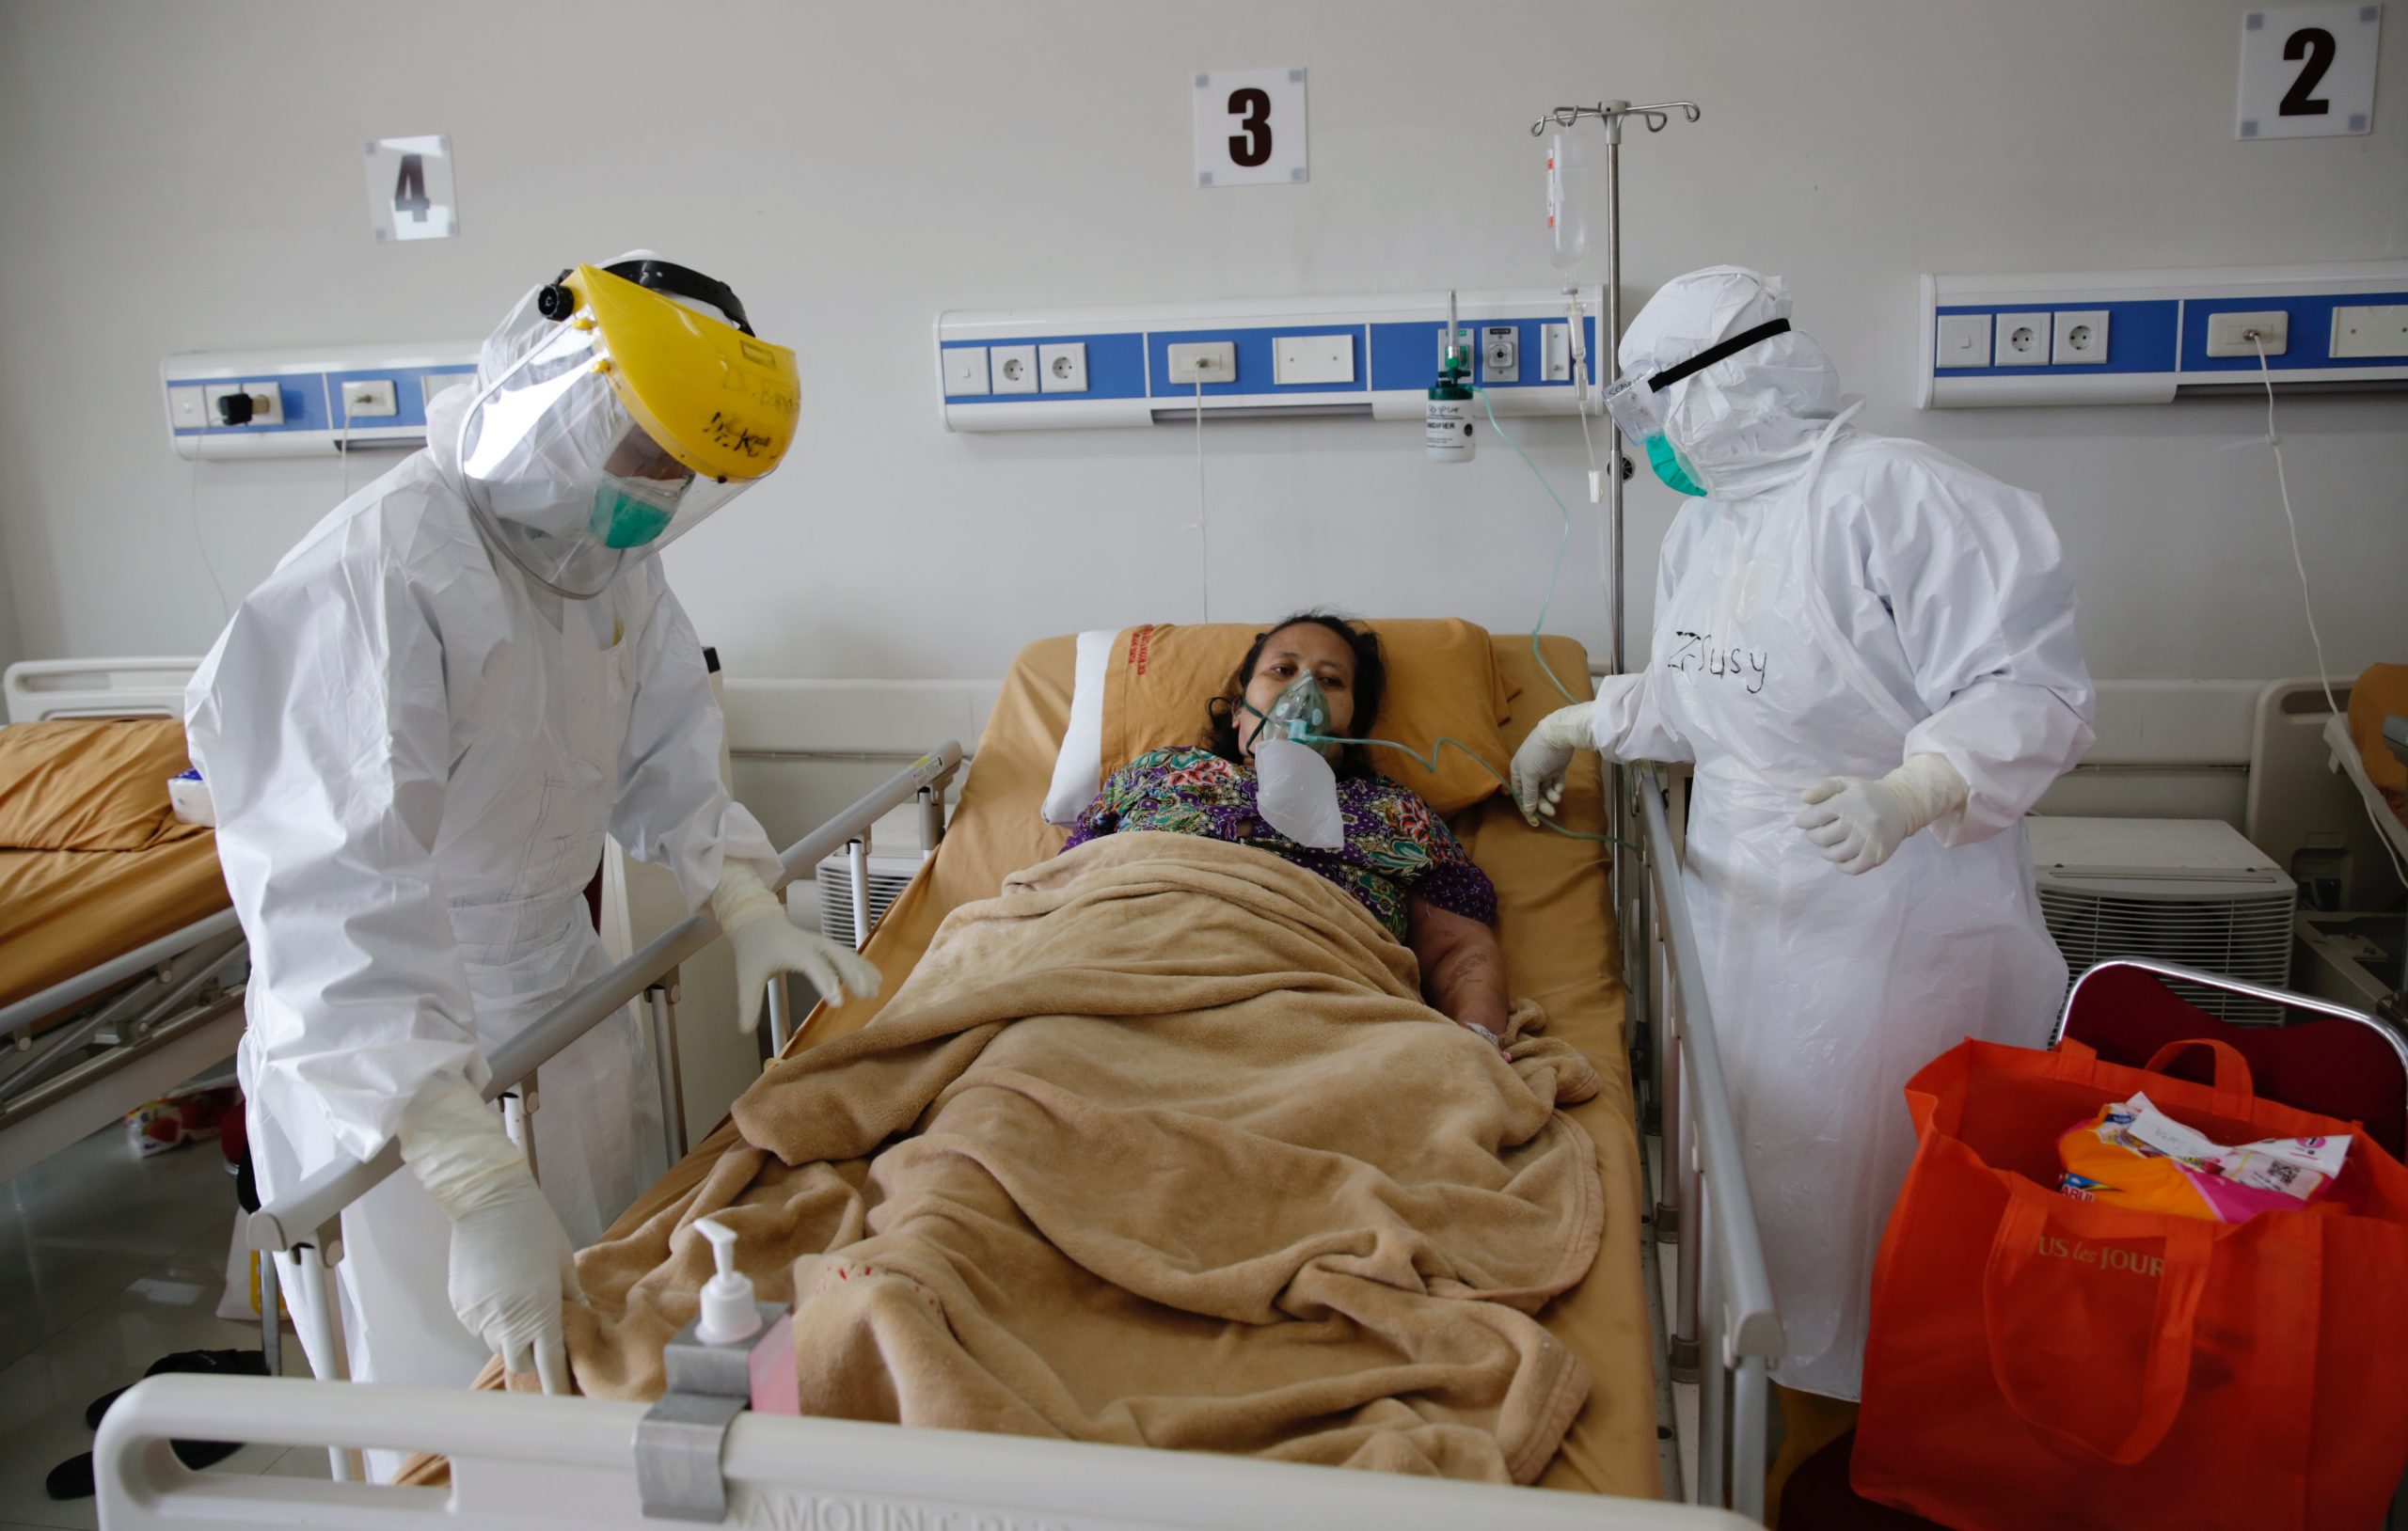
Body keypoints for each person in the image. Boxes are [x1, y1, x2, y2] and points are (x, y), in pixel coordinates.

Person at [185, 257, 880, 1439]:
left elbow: (667, 746)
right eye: (644, 453)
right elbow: (332, 900)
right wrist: (465, 1169)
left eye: (682, 471)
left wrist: (744, 896)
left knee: (598, 1369)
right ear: (559, 402)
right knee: (446, 1419)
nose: (655, 492)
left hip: (560, 999)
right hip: (395, 1074)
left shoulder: (604, 559)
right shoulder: (380, 572)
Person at [1511, 268, 2094, 1413]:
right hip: (1739, 888)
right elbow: (1703, 697)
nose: (1654, 444)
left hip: (1898, 901)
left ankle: (1895, 1418)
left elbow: (2035, 690)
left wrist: (1921, 787)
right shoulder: (1706, 531)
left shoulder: (1903, 497)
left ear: (1715, 389)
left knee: (1877, 1169)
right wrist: (1580, 718)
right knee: (1762, 1153)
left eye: (1653, 410)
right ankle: (1771, 1401)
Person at [1065, 613, 1509, 1042]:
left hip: (1321, 1003)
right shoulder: (1158, 772)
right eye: (1282, 669)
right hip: (1130, 964)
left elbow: (1459, 950)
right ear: (1239, 710)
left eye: (1331, 680)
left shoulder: (1396, 812)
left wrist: (1477, 1035)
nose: (1303, 691)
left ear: (1351, 725)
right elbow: (1066, 885)